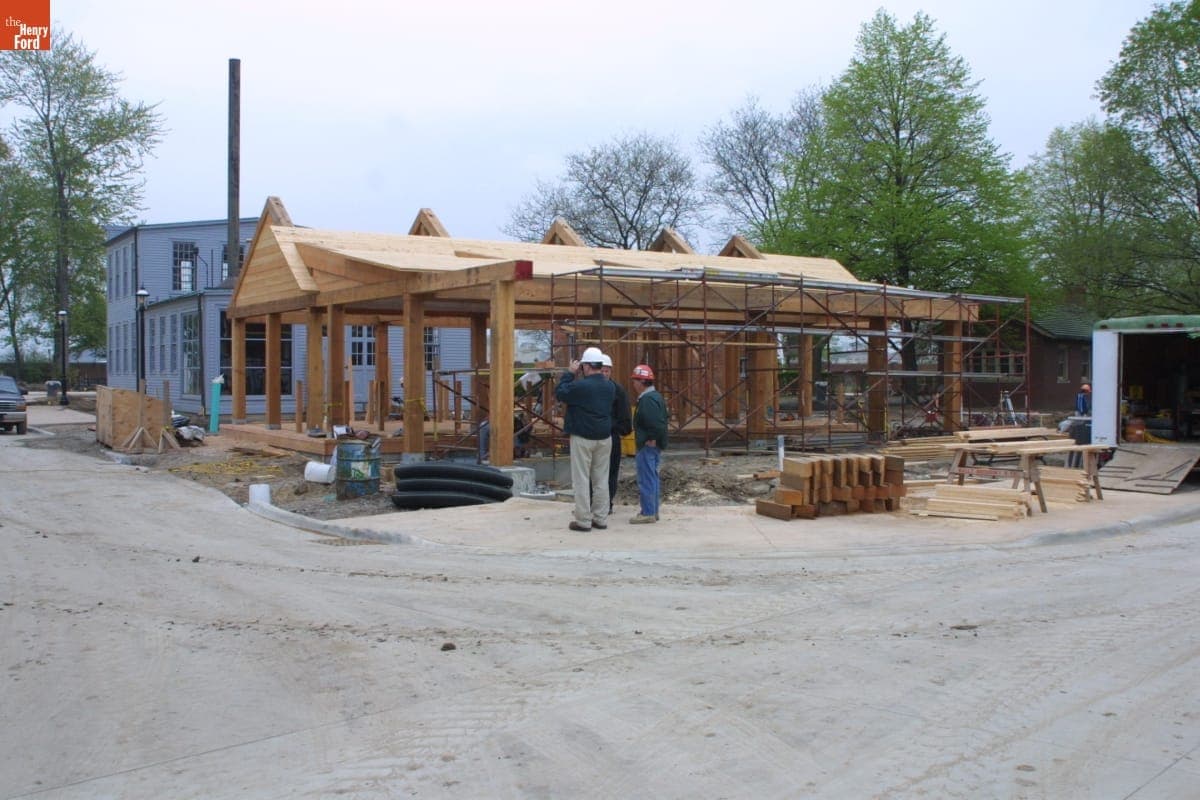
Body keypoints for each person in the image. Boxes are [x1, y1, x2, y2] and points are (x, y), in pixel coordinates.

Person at [554, 347, 615, 532]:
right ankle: (601, 518)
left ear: (586, 366)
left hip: (583, 438)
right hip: (604, 438)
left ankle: (583, 520)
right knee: (601, 480)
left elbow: (560, 393)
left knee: (581, 479)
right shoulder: (609, 386)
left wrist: (569, 373)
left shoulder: (581, 386)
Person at [630, 363, 668, 524]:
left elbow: (655, 423)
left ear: (641, 382)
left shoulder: (648, 400)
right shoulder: (655, 397)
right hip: (652, 444)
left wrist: (651, 438)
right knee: (652, 477)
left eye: (635, 381)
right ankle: (652, 510)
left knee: (646, 479)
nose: (633, 384)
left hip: (648, 445)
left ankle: (648, 512)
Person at [598, 353, 633, 513]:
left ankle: (607, 504)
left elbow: (625, 415)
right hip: (595, 436)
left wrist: (618, 430)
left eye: (607, 371)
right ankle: (594, 503)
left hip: (611, 437)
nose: (605, 374)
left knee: (610, 472)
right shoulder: (592, 389)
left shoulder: (617, 390)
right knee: (595, 473)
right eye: (602, 371)